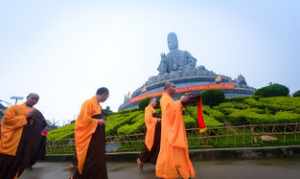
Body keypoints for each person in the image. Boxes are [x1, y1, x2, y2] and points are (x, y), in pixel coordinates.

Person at [0, 93, 45, 179]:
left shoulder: (36, 113)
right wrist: (25, 117)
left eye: (36, 100)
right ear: (27, 97)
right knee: (4, 166)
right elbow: (7, 121)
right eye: (32, 98)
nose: (34, 101)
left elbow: (41, 125)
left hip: (25, 146)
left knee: (17, 167)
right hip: (12, 143)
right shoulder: (14, 108)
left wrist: (43, 129)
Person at [156, 82, 195, 179]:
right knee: (174, 155)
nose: (175, 88)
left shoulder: (168, 99)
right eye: (173, 86)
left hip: (171, 132)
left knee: (175, 155)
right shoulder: (164, 98)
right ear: (167, 88)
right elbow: (170, 112)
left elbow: (174, 109)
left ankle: (180, 173)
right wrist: (181, 102)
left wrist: (182, 104)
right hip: (171, 133)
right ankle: (178, 174)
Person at [72, 87, 109, 179]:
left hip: (97, 135)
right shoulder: (88, 103)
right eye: (106, 97)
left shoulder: (98, 106)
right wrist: (97, 121)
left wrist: (101, 121)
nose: (106, 99)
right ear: (103, 94)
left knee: (99, 158)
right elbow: (83, 119)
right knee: (90, 157)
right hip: (90, 137)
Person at [136, 98, 161, 170]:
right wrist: (157, 119)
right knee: (149, 147)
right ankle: (140, 160)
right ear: (151, 101)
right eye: (155, 101)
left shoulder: (153, 109)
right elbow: (148, 119)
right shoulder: (147, 109)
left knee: (155, 147)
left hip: (156, 131)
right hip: (151, 132)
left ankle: (144, 161)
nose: (156, 103)